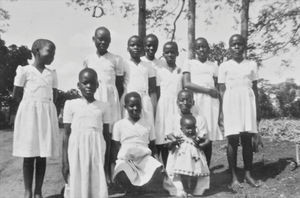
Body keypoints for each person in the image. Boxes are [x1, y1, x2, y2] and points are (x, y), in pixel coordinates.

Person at [12, 39, 59, 198]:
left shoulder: (51, 73)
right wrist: (27, 110)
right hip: (29, 116)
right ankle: (28, 191)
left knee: (41, 154)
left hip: (45, 116)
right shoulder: (25, 70)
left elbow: (56, 96)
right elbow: (16, 94)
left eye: (54, 52)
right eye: (49, 51)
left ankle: (38, 190)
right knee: (29, 154)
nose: (52, 55)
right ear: (37, 52)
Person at [218, 34, 261, 190]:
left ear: (244, 46)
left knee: (247, 140)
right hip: (231, 103)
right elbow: (221, 90)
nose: (237, 47)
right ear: (230, 47)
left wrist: (258, 110)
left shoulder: (252, 64)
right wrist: (222, 112)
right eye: (233, 44)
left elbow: (255, 88)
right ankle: (234, 177)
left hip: (248, 103)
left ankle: (248, 174)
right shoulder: (224, 66)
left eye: (239, 44)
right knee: (232, 141)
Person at [83, 26, 124, 184]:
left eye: (106, 39)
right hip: (95, 100)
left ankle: (109, 173)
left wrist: (113, 101)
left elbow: (119, 85)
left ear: (110, 41)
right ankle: (95, 174)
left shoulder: (116, 59)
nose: (103, 42)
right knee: (96, 136)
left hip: (110, 101)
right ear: (94, 39)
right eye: (100, 39)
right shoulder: (88, 59)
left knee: (110, 138)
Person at [62, 68, 110, 198]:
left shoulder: (104, 106)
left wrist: (107, 165)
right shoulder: (70, 104)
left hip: (97, 149)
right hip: (76, 149)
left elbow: (106, 136)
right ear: (78, 85)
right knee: (77, 181)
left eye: (92, 83)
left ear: (97, 85)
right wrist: (65, 162)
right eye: (85, 83)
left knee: (96, 182)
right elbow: (66, 134)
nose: (89, 86)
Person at [112, 92, 170, 195]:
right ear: (125, 107)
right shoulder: (119, 125)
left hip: (144, 159)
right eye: (131, 106)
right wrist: (121, 160)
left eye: (138, 105)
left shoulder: (148, 124)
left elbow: (153, 146)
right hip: (127, 160)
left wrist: (159, 163)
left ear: (141, 106)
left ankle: (139, 189)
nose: (135, 108)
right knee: (122, 173)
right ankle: (134, 189)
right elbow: (116, 147)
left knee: (158, 172)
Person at [182, 37, 223, 167]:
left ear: (208, 49)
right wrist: (207, 90)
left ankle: (206, 170)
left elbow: (217, 87)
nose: (201, 49)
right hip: (196, 101)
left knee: (208, 136)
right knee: (195, 133)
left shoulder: (213, 65)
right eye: (198, 47)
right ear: (195, 50)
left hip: (211, 103)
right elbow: (187, 84)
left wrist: (220, 111)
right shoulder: (189, 63)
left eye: (204, 46)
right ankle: (193, 169)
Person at [166, 89, 210, 196]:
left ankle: (196, 189)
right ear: (177, 102)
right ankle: (180, 189)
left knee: (198, 168)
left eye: (188, 100)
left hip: (194, 152)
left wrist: (202, 143)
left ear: (193, 102)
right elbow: (168, 138)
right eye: (182, 100)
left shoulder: (199, 119)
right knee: (174, 170)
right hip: (177, 153)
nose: (185, 103)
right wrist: (173, 141)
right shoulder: (172, 118)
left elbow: (206, 139)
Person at [155, 41, 182, 167]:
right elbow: (156, 92)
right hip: (163, 107)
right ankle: (166, 169)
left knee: (176, 136)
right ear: (163, 54)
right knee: (164, 138)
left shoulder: (181, 71)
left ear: (177, 53)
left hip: (176, 107)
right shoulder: (159, 71)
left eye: (172, 52)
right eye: (167, 52)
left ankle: (177, 168)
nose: (170, 54)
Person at [122, 35, 156, 127]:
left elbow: (153, 90)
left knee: (147, 126)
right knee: (129, 126)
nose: (136, 47)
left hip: (144, 100)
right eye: (132, 45)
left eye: (138, 45)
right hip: (129, 100)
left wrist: (154, 108)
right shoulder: (124, 64)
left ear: (143, 48)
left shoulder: (148, 66)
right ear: (127, 48)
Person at [141, 33, 162, 114]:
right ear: (144, 46)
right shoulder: (141, 61)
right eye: (149, 45)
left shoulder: (162, 63)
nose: (152, 48)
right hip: (144, 97)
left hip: (157, 98)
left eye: (154, 45)